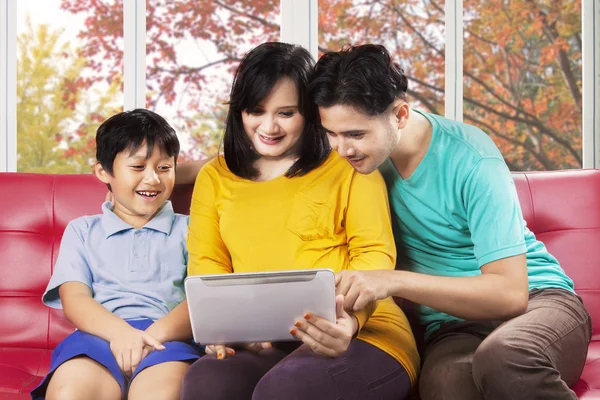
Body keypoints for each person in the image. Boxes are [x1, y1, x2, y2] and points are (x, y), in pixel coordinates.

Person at [309, 44, 591, 400]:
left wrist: (393, 281)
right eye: (330, 133)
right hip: (452, 327)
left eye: (355, 134)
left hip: (541, 302)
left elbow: (510, 294)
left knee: (504, 356)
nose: (341, 149)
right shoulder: (354, 168)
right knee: (445, 385)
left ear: (399, 115)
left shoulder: (472, 158)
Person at [181, 42, 420, 400]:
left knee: (285, 389)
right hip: (263, 340)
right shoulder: (215, 177)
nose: (268, 126)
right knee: (207, 382)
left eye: (286, 113)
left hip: (364, 332)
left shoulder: (350, 163)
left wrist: (350, 321)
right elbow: (207, 266)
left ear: (310, 113)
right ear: (239, 112)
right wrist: (226, 328)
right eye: (255, 110)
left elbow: (373, 256)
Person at [30, 109, 202, 400]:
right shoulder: (82, 230)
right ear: (103, 172)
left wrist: (152, 336)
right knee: (69, 392)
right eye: (137, 167)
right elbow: (75, 300)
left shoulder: (190, 229)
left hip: (166, 341)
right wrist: (122, 334)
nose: (153, 180)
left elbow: (199, 299)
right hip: (97, 340)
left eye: (164, 168)